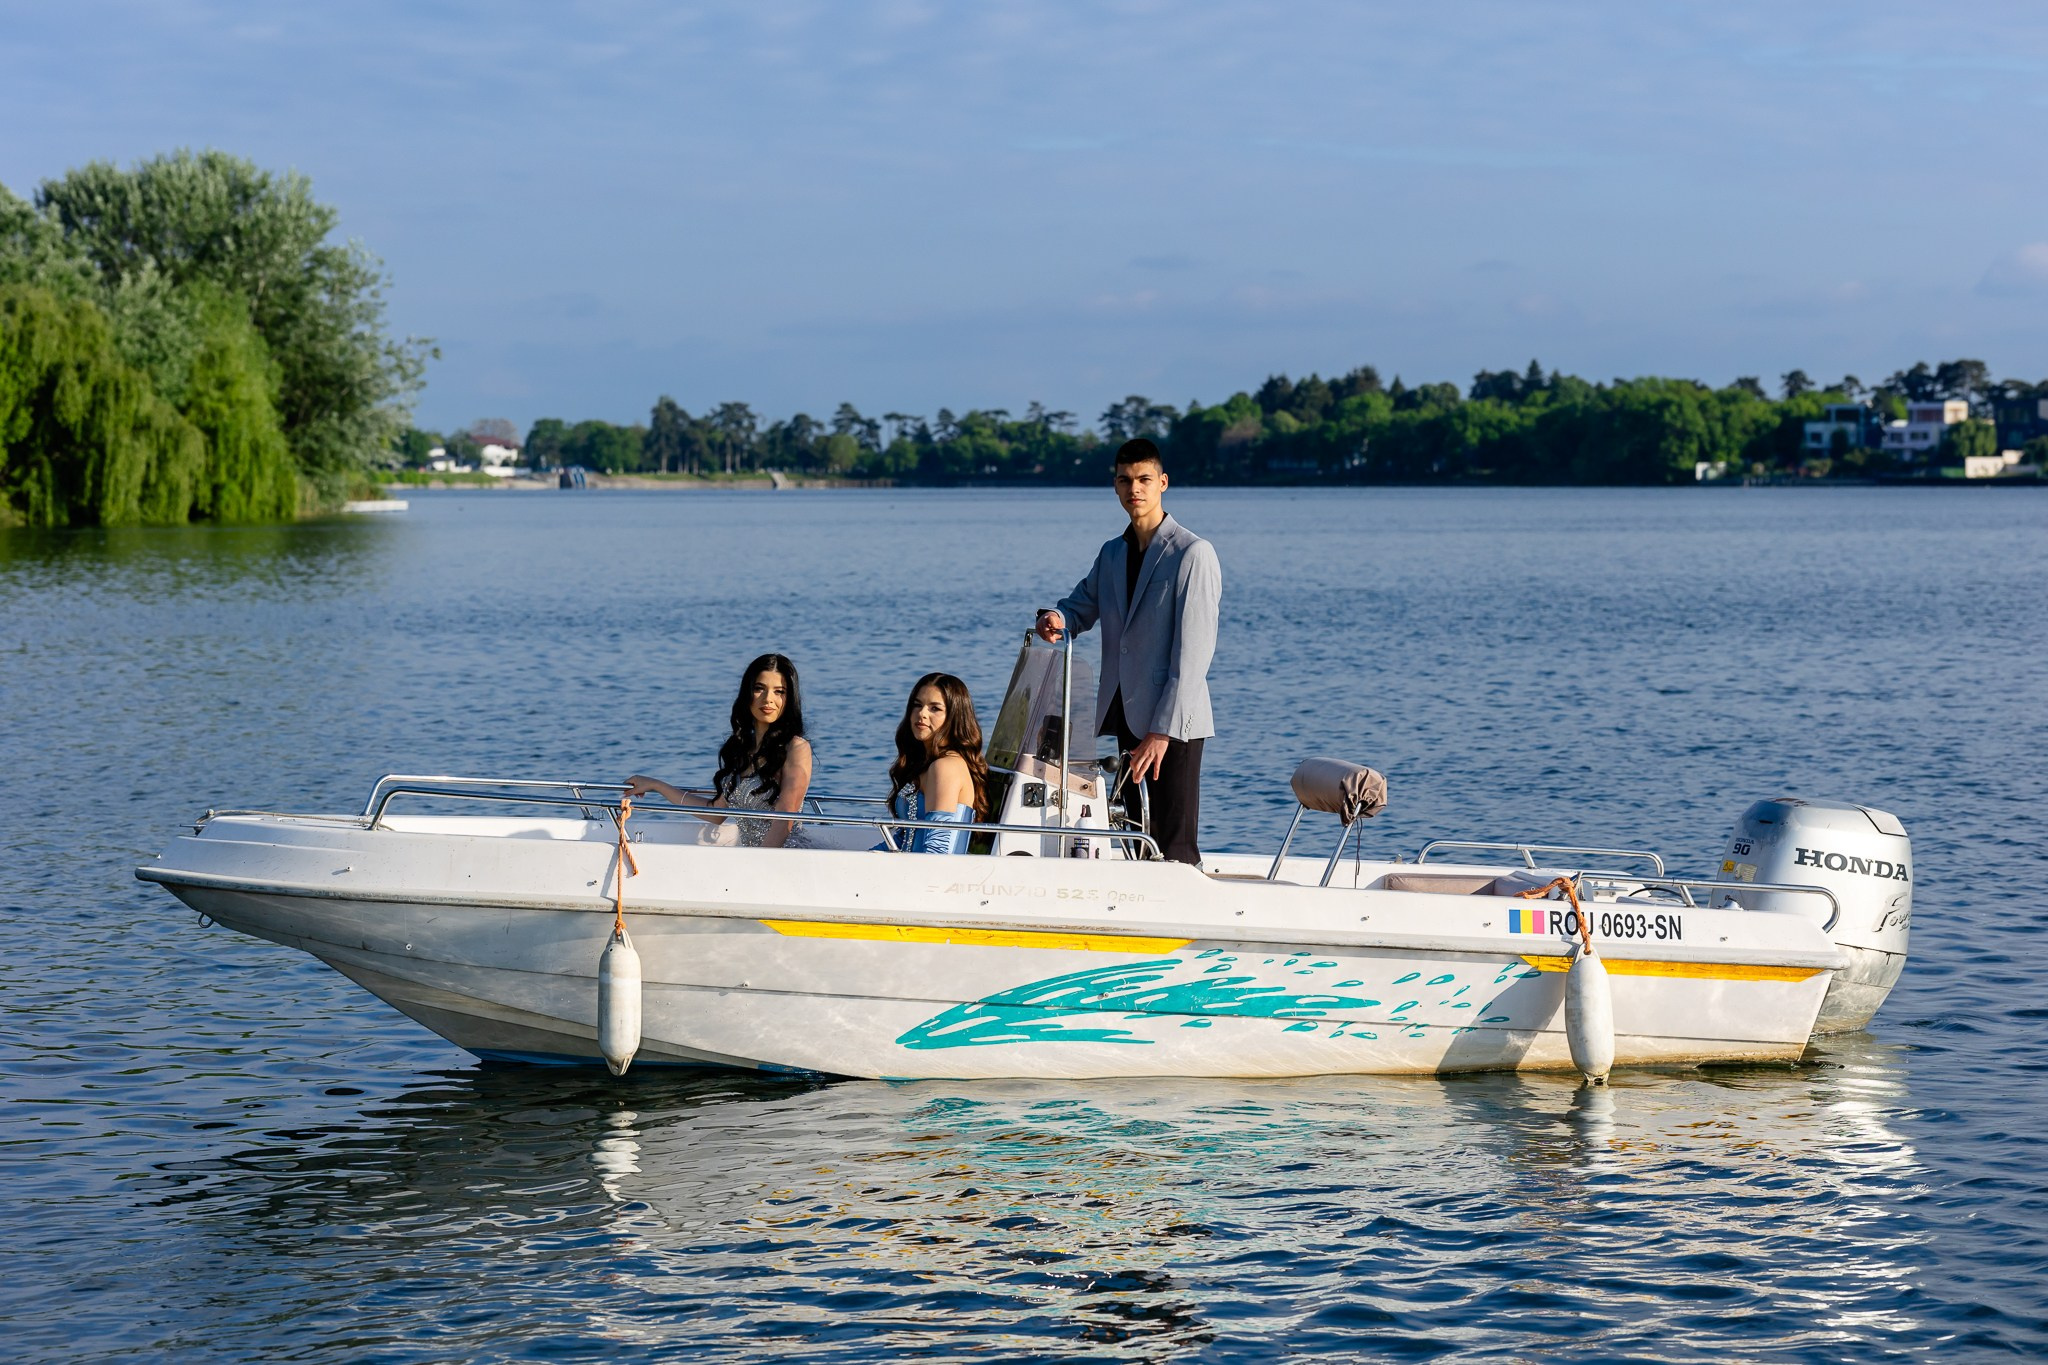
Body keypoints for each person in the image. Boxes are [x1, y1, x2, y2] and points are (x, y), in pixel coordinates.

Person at [1034, 437, 1220, 865]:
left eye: (1144, 479)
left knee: (1172, 845)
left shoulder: (1194, 553)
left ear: (1163, 483)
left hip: (1175, 723)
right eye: (1124, 480)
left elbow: (1194, 656)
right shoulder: (1112, 552)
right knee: (1136, 837)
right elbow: (1081, 604)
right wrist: (1057, 618)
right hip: (1123, 711)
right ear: (1115, 486)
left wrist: (1162, 732)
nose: (1134, 488)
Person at [625, 652, 813, 848]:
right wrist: (657, 785)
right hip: (754, 859)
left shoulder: (796, 748)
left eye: (779, 691)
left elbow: (784, 819)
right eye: (759, 688)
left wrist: (759, 864)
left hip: (785, 859)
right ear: (747, 694)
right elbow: (715, 813)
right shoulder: (741, 750)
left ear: (789, 698)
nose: (768, 699)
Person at [886, 672, 989, 854]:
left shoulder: (946, 766)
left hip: (931, 877)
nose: (922, 714)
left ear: (954, 716)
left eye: (935, 709)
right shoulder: (927, 762)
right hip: (908, 867)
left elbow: (938, 850)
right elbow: (905, 839)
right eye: (917, 705)